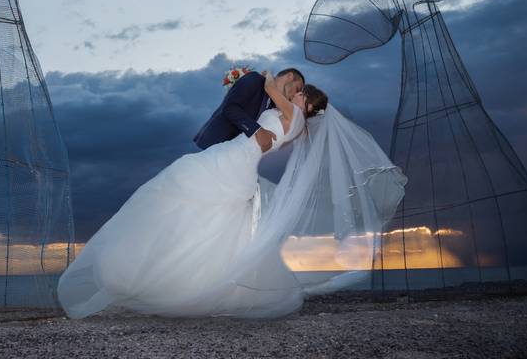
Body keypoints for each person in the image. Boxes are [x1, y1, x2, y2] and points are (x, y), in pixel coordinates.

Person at [57, 70, 406, 319]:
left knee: (182, 191)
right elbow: (255, 105)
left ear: (307, 104)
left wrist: (258, 76)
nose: (296, 92)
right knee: (202, 220)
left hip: (234, 164)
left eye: (301, 91)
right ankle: (182, 279)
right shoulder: (293, 120)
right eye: (297, 88)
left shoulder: (294, 116)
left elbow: (269, 88)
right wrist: (244, 82)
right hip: (232, 160)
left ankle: (164, 280)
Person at [193, 68, 305, 151]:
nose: (295, 94)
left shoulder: (273, 105)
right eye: (298, 88)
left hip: (233, 153)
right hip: (211, 145)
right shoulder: (255, 79)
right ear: (290, 76)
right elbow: (230, 107)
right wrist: (257, 130)